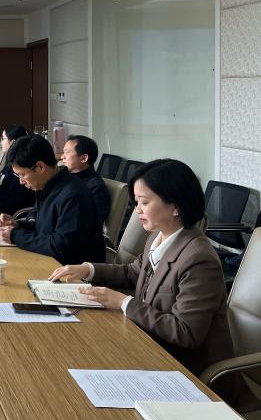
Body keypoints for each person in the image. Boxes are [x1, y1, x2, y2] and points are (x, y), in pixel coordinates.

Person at [49, 159, 233, 377]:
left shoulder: (199, 259)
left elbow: (186, 332)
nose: (137, 210)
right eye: (136, 202)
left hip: (186, 371)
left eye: (144, 202)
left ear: (175, 206)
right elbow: (133, 273)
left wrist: (123, 302)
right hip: (147, 344)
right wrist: (88, 270)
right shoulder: (158, 237)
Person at [0, 134, 105, 265]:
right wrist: (17, 225)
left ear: (40, 167)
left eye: (22, 175)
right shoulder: (47, 186)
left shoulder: (73, 195)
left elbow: (61, 246)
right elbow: (45, 228)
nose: (21, 182)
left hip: (72, 271)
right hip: (49, 261)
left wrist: (15, 235)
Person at [0, 124, 35, 215]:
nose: (1, 142)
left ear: (13, 142)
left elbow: (12, 202)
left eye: (3, 138)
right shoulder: (9, 162)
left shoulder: (19, 167)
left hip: (2, 214)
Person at [62, 135, 110, 225]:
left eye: (67, 152)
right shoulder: (63, 178)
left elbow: (91, 224)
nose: (62, 157)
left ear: (84, 158)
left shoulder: (95, 187)